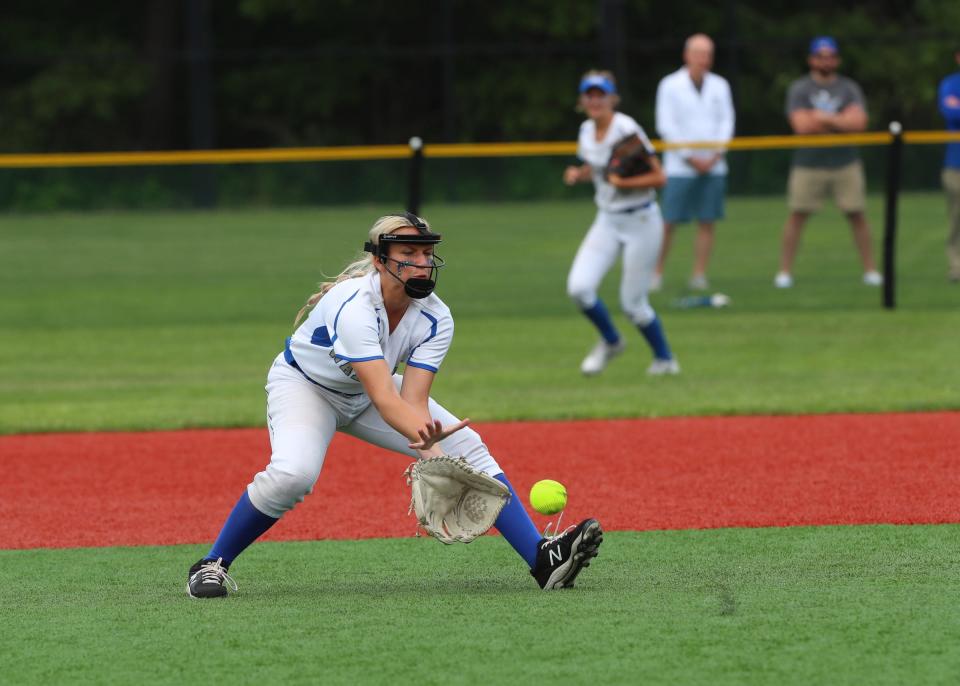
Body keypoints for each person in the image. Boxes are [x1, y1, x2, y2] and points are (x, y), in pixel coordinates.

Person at [186, 212, 603, 597]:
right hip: (306, 387)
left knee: (468, 448)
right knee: (293, 475)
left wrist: (442, 455)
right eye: (408, 253)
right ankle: (211, 564)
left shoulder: (436, 317)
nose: (421, 262)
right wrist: (435, 456)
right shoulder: (355, 307)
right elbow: (387, 401)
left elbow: (413, 400)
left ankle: (542, 559)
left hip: (370, 391)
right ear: (380, 261)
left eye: (426, 253)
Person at [563, 70, 680, 376]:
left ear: (612, 98)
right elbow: (601, 167)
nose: (595, 100)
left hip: (641, 218)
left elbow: (659, 176)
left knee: (633, 304)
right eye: (589, 94)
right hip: (608, 219)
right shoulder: (586, 131)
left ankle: (666, 360)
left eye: (601, 94)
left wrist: (623, 183)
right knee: (579, 288)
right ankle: (612, 342)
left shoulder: (626, 128)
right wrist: (580, 173)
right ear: (582, 100)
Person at [774, 36, 883, 289]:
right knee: (797, 215)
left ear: (837, 59)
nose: (826, 60)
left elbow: (859, 125)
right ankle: (784, 272)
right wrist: (840, 120)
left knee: (857, 214)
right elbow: (801, 126)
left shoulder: (849, 87)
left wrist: (822, 118)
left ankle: (870, 271)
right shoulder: (799, 88)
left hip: (846, 162)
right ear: (812, 60)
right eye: (821, 56)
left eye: (831, 56)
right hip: (808, 163)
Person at [653, 33, 735, 292]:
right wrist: (689, 156)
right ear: (686, 55)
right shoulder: (669, 85)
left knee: (707, 220)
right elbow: (666, 125)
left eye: (708, 54)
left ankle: (699, 274)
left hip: (714, 164)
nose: (703, 59)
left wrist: (715, 155)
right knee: (668, 222)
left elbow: (727, 122)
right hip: (679, 167)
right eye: (699, 53)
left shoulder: (720, 85)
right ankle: (656, 272)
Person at [939, 46, 960, 283]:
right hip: (956, 163)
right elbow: (950, 111)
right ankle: (957, 268)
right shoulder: (950, 84)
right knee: (957, 218)